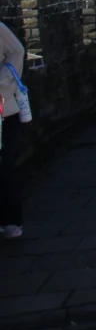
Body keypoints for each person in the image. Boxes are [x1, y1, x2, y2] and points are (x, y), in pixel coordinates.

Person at [0, 21, 27, 239]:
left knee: (3, 166)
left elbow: (17, 51)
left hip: (3, 111)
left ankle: (10, 220)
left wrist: (3, 83)